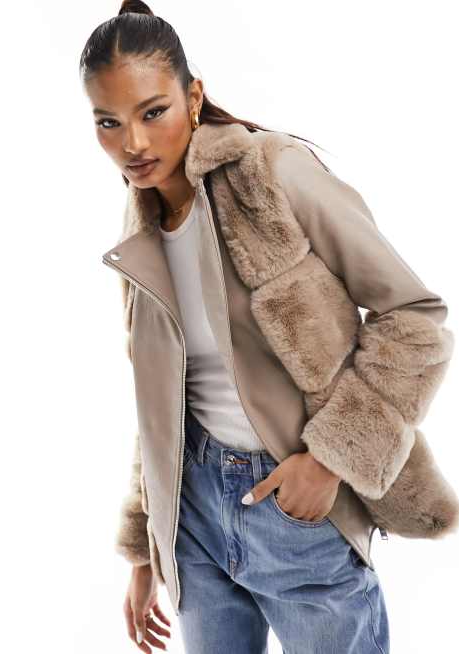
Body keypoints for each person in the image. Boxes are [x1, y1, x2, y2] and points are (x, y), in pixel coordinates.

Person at [79, 2, 458, 652]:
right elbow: (162, 401)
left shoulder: (272, 173)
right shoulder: (138, 229)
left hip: (291, 501)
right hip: (192, 518)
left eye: (153, 112)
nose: (133, 143)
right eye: (108, 122)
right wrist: (146, 549)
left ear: (193, 97)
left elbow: (414, 318)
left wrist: (331, 459)